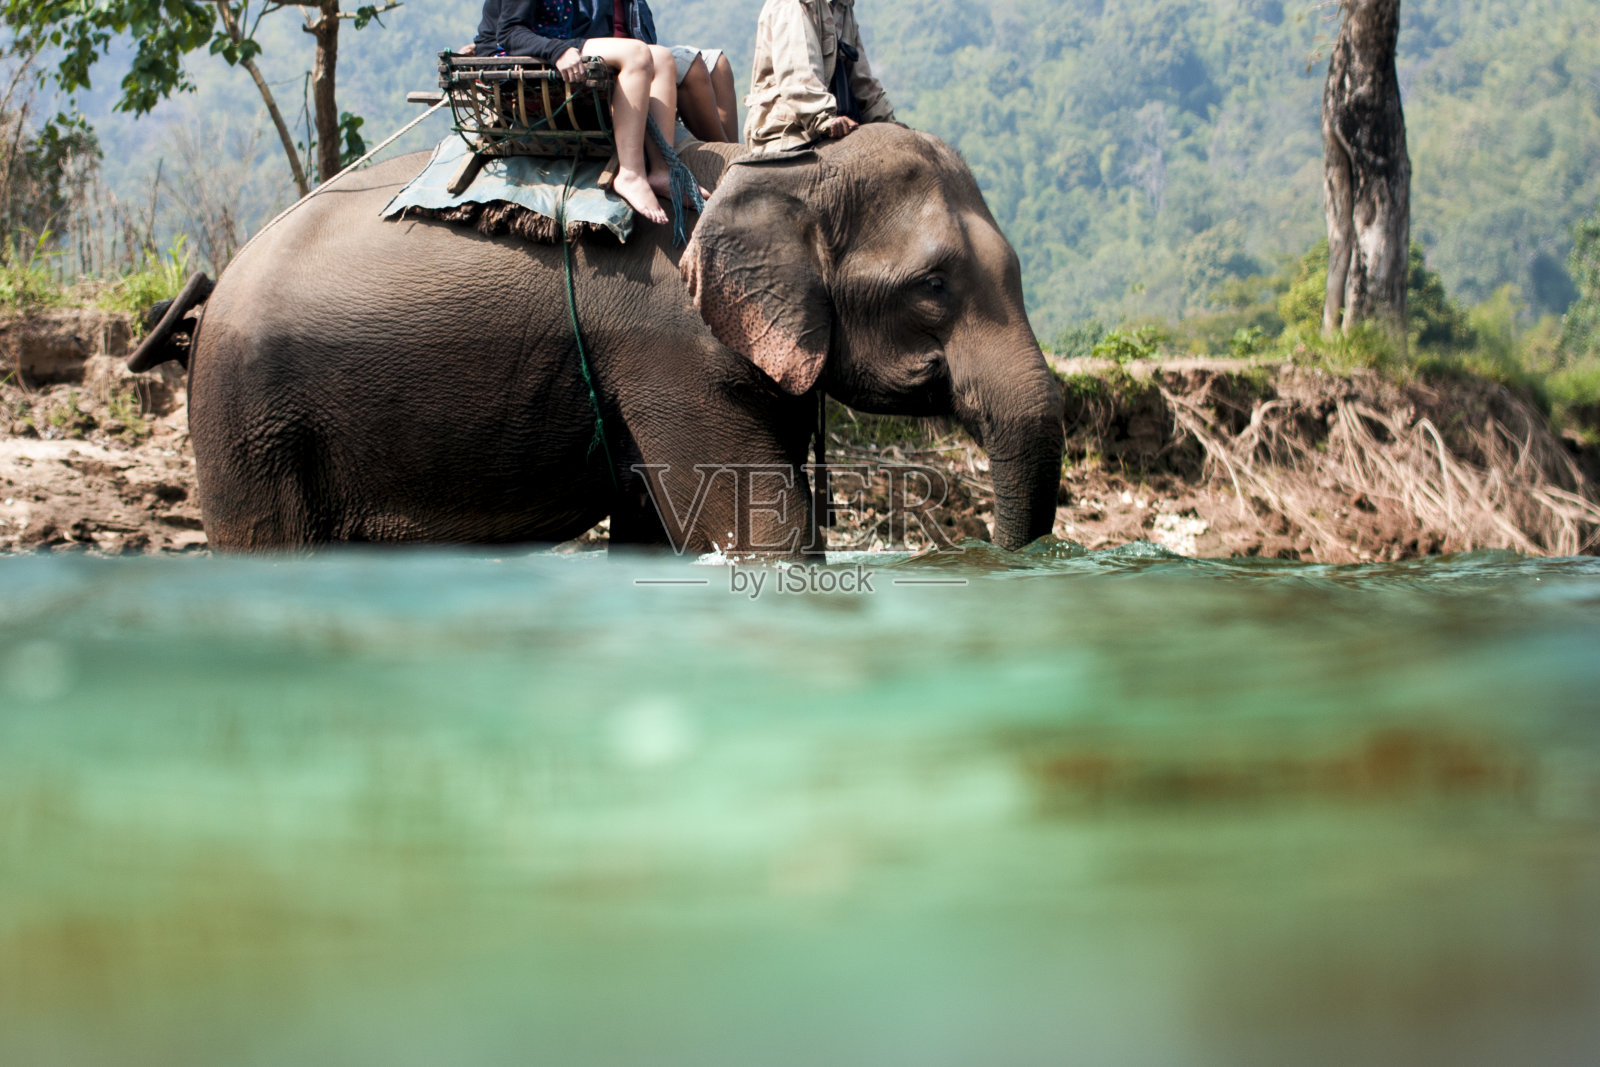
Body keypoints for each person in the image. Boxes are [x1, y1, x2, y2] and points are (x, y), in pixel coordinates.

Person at [473, 0, 677, 223]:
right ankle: (631, 173)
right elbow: (510, 33)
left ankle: (662, 170)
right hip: (515, 58)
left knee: (662, 57)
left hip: (553, 44)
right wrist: (556, 51)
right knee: (637, 53)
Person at [573, 0, 740, 143]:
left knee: (718, 63)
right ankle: (724, 158)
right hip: (608, 53)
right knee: (692, 65)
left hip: (640, 49)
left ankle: (733, 152)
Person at [744, 0, 894, 152]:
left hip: (829, 127)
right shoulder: (794, 4)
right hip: (787, 132)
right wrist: (824, 118)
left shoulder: (843, 6)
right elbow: (797, 76)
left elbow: (863, 84)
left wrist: (891, 126)